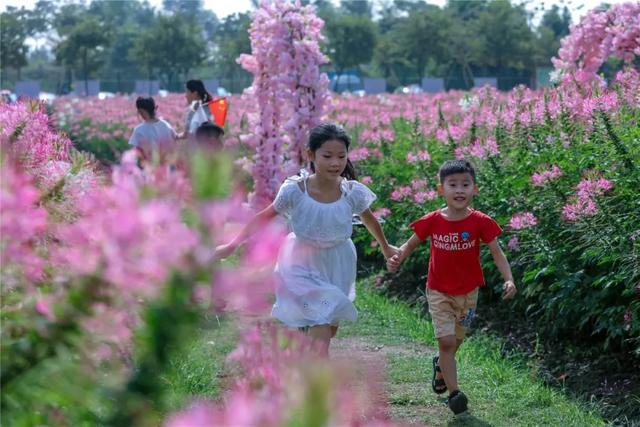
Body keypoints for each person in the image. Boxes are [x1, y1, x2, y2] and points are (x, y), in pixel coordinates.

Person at [215, 123, 399, 356]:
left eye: (341, 156)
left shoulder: (351, 192)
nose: (335, 163)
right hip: (301, 259)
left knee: (329, 327)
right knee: (321, 325)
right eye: (327, 156)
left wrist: (386, 248)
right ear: (311, 155)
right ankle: (316, 381)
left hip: (338, 261)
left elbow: (370, 221)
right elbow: (264, 217)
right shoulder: (295, 191)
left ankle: (307, 337)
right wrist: (232, 245)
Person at [387, 159, 517, 415]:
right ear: (441, 190)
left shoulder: (481, 221)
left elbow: (497, 252)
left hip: (469, 293)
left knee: (456, 341)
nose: (459, 190)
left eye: (465, 185)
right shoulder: (433, 220)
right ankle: (455, 394)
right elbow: (411, 244)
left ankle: (440, 368)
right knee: (446, 342)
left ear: (474, 189)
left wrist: (509, 278)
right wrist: (397, 257)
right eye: (453, 185)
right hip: (439, 291)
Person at [128, 96, 177, 163]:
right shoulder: (167, 126)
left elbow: (136, 155)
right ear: (155, 108)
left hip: (148, 168)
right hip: (166, 168)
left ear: (140, 111)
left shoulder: (139, 130)